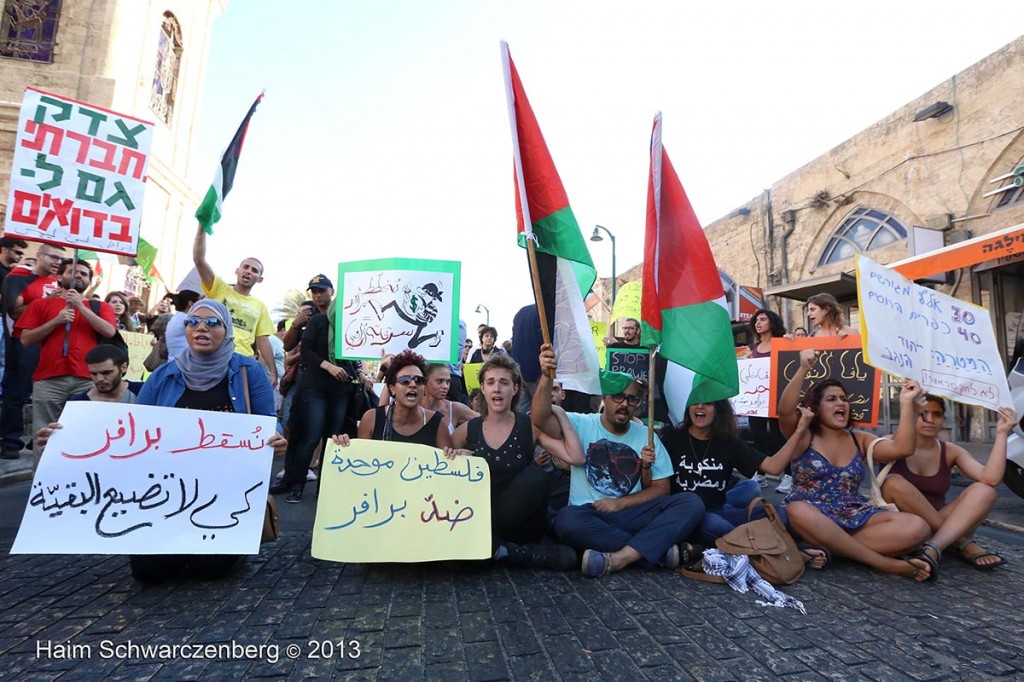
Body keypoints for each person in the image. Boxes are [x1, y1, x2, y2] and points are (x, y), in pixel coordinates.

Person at [125, 300, 284, 582]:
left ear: (227, 330)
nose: (201, 328)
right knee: (148, 573)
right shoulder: (163, 375)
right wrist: (68, 436)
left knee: (206, 570)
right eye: (193, 322)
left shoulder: (248, 371)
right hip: (168, 493)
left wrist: (277, 437)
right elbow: (134, 429)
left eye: (212, 323)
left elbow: (268, 421)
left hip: (225, 494)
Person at [531, 344, 705, 577]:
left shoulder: (647, 436)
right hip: (588, 513)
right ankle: (657, 551)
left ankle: (622, 557)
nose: (625, 404)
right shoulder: (580, 423)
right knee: (566, 521)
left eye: (632, 399)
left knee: (691, 503)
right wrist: (545, 376)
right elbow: (540, 418)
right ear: (605, 398)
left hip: (632, 512)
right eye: (619, 397)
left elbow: (662, 489)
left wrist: (620, 504)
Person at [774, 348, 934, 581]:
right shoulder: (804, 435)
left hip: (854, 514)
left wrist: (907, 405)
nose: (841, 403)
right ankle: (882, 562)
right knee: (796, 510)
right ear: (816, 408)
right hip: (811, 516)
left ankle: (833, 548)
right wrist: (803, 368)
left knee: (918, 527)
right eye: (832, 399)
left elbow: (903, 449)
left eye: (844, 399)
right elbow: (784, 412)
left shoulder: (859, 439)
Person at [445, 354, 581, 569]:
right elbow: (441, 467)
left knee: (535, 475)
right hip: (481, 519)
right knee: (453, 561)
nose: (497, 388)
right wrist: (456, 458)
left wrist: (559, 413)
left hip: (523, 525)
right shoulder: (467, 430)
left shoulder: (529, 426)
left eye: (504, 382)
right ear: (482, 389)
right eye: (490, 382)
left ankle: (488, 548)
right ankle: (508, 552)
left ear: (515, 389)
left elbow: (575, 457)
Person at [882, 395, 1016, 571]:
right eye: (923, 414)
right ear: (910, 415)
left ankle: (933, 547)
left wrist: (1002, 433)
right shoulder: (887, 443)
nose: (930, 420)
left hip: (943, 523)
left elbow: (990, 478)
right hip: (904, 527)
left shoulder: (950, 451)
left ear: (943, 419)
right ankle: (959, 542)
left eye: (936, 414)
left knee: (985, 490)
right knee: (893, 482)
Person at [270, 275, 370, 504]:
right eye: (313, 291)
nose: (317, 294)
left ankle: (325, 486)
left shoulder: (350, 323)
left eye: (321, 290)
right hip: (314, 387)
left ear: (332, 292)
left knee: (332, 439)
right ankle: (296, 485)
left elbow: (352, 356)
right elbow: (302, 352)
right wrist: (328, 366)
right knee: (309, 436)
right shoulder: (315, 320)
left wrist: (361, 374)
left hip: (340, 391)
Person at [15, 258, 117, 450]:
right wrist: (56, 321)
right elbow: (26, 339)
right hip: (48, 380)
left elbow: (109, 331)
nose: (78, 275)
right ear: (60, 276)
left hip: (89, 380)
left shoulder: (100, 307)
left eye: (84, 274)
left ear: (89, 281)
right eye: (72, 271)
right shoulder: (40, 305)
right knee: (44, 439)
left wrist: (80, 306)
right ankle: (42, 480)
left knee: (87, 436)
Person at [0, 242, 65, 459]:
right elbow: (15, 311)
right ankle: (10, 441)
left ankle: (38, 439)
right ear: (39, 255)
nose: (57, 263)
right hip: (23, 341)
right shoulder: (19, 277)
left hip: (50, 343)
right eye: (53, 257)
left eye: (61, 260)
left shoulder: (60, 281)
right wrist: (47, 302)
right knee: (16, 392)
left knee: (45, 392)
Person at [193, 222, 277, 386]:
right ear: (237, 270)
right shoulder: (219, 288)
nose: (248, 271)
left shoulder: (260, 306)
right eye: (246, 267)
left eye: (254, 270)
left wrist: (273, 372)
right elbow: (199, 260)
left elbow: (263, 341)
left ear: (259, 279)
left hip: (242, 363)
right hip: (213, 357)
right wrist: (201, 227)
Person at [355, 350, 452, 448]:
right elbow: (360, 456)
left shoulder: (438, 424)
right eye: (405, 380)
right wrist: (343, 445)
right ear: (392, 389)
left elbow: (449, 460)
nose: (413, 385)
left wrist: (457, 454)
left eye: (419, 380)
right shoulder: (371, 419)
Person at [745, 308, 791, 493]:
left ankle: (789, 475)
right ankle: (761, 474)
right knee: (758, 437)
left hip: (777, 399)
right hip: (757, 401)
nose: (758, 322)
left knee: (780, 437)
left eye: (763, 319)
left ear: (772, 322)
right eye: (756, 320)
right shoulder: (753, 348)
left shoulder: (782, 343)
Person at [68, 344, 143, 403]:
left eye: (106, 373)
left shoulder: (143, 391)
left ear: (123, 367)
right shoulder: (79, 403)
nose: (99, 379)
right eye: (94, 374)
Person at [421, 363, 478, 434]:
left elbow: (484, 420)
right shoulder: (414, 407)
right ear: (425, 381)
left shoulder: (454, 408)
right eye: (439, 381)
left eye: (448, 382)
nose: (445, 386)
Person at [165, 289, 202, 360]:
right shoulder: (186, 319)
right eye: (200, 302)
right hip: (184, 364)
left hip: (175, 362)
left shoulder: (177, 317)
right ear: (190, 303)